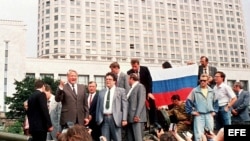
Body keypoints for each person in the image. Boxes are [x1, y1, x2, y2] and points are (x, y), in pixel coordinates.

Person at [96, 72, 128, 141]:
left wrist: (124, 119)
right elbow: (98, 106)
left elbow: (125, 105)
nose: (107, 81)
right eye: (106, 79)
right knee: (104, 139)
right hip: (103, 119)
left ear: (114, 81)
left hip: (115, 119)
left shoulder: (121, 91)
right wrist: (97, 118)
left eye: (110, 79)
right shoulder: (101, 92)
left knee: (117, 139)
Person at [186, 74, 219, 141]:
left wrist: (215, 111)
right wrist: (192, 112)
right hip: (199, 115)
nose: (202, 82)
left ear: (207, 81)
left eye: (204, 80)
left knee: (210, 133)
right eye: (201, 80)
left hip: (209, 114)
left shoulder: (212, 91)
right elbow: (188, 102)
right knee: (199, 134)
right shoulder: (195, 91)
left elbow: (216, 102)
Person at [127, 59, 158, 128]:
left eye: (135, 66)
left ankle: (155, 121)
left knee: (152, 101)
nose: (134, 68)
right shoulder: (129, 72)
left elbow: (149, 81)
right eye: (132, 66)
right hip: (136, 92)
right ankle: (142, 121)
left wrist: (149, 92)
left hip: (146, 91)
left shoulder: (145, 69)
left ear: (138, 64)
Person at [126, 73, 147, 141]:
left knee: (138, 138)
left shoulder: (140, 86)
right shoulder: (131, 88)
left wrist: (137, 115)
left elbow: (141, 101)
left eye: (128, 79)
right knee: (131, 138)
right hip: (130, 118)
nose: (128, 81)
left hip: (137, 118)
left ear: (131, 79)